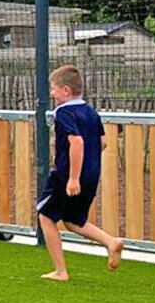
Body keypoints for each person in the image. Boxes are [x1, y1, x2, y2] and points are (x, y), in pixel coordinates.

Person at [38, 65, 124, 280]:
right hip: (92, 174)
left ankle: (60, 271)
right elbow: (103, 142)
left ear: (66, 91)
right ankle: (110, 242)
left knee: (46, 216)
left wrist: (73, 178)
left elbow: (76, 141)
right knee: (73, 220)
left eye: (53, 89)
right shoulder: (90, 111)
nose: (51, 93)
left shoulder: (64, 112)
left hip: (67, 175)